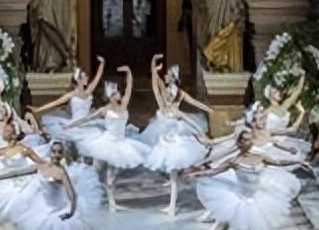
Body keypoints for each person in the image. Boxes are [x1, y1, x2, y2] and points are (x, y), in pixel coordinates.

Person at [186, 129, 305, 230]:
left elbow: (279, 162)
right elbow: (213, 172)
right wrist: (195, 174)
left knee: (257, 229)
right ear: (239, 143)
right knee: (223, 228)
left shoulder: (260, 157)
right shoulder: (234, 161)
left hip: (258, 197)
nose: (247, 142)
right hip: (239, 199)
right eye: (244, 140)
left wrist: (298, 161)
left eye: (249, 139)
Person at [65, 65, 151, 212]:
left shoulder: (124, 104)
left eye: (118, 92)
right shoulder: (104, 110)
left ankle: (112, 203)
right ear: (111, 96)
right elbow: (86, 118)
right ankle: (77, 193)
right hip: (105, 143)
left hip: (120, 144)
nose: (119, 94)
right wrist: (70, 125)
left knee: (111, 177)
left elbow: (129, 87)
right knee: (95, 171)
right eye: (116, 93)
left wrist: (129, 72)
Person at [142, 55, 214, 216]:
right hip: (166, 139)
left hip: (176, 142)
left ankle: (188, 201)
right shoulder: (163, 103)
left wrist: (208, 110)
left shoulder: (176, 104)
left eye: (169, 75)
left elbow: (193, 104)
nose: (167, 96)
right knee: (173, 176)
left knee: (179, 174)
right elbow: (155, 85)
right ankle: (173, 205)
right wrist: (153, 66)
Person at [30, 58, 104, 143]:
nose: (87, 78)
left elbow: (97, 78)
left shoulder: (88, 91)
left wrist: (102, 63)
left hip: (87, 122)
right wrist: (38, 109)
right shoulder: (72, 94)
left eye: (86, 77)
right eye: (84, 77)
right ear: (78, 80)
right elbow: (56, 102)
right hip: (75, 125)